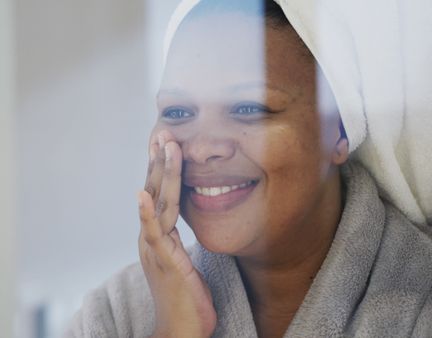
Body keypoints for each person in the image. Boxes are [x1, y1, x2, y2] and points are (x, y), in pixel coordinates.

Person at [65, 0, 432, 337]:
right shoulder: (113, 316)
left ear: (337, 130)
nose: (204, 148)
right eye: (178, 111)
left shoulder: (419, 308)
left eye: (249, 109)